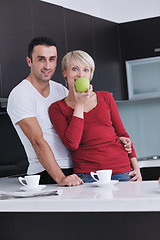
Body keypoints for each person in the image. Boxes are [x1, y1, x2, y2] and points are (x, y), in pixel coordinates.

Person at [49, 50, 142, 182]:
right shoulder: (57, 108)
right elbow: (72, 144)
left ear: (90, 74)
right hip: (87, 176)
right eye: (75, 69)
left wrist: (136, 168)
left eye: (86, 70)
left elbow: (122, 134)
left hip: (122, 171)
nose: (81, 74)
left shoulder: (105, 97)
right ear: (65, 72)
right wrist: (79, 105)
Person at [7, 36, 83, 186]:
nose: (47, 66)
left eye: (52, 59)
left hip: (75, 167)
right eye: (41, 59)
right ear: (30, 61)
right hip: (46, 173)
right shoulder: (20, 94)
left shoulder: (60, 90)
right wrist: (61, 178)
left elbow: (77, 126)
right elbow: (37, 141)